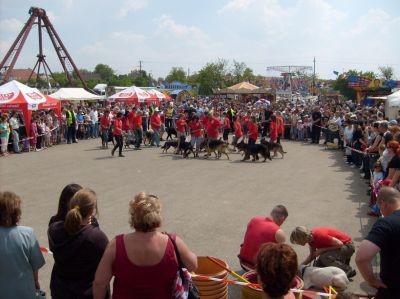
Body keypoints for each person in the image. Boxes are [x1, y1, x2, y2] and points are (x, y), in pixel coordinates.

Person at [93, 192, 198, 299]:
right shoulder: (173, 242)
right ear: (157, 216)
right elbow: (193, 265)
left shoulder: (116, 245)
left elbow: (99, 282)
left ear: (134, 216)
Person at [48, 188, 108, 299]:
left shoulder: (54, 230)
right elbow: (106, 267)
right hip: (86, 293)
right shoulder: (97, 238)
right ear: (91, 211)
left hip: (60, 291)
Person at [356, 187, 400, 299]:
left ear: (382, 203)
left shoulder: (386, 223)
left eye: (378, 206)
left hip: (393, 289)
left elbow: (362, 258)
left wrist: (371, 280)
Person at [0, 191, 46, 299]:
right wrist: (35, 281)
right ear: (17, 213)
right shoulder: (27, 233)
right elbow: (36, 264)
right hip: (24, 291)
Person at [290, 226, 356, 278]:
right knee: (318, 268)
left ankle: (347, 270)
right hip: (338, 248)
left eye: (297, 241)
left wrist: (322, 250)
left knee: (324, 258)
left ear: (302, 238)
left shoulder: (319, 235)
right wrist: (300, 266)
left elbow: (340, 244)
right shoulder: (310, 240)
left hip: (348, 246)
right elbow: (312, 255)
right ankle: (341, 263)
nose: (297, 243)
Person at [238, 205, 288, 270]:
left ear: (271, 213)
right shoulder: (278, 232)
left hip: (243, 262)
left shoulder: (254, 220)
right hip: (257, 269)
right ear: (282, 218)